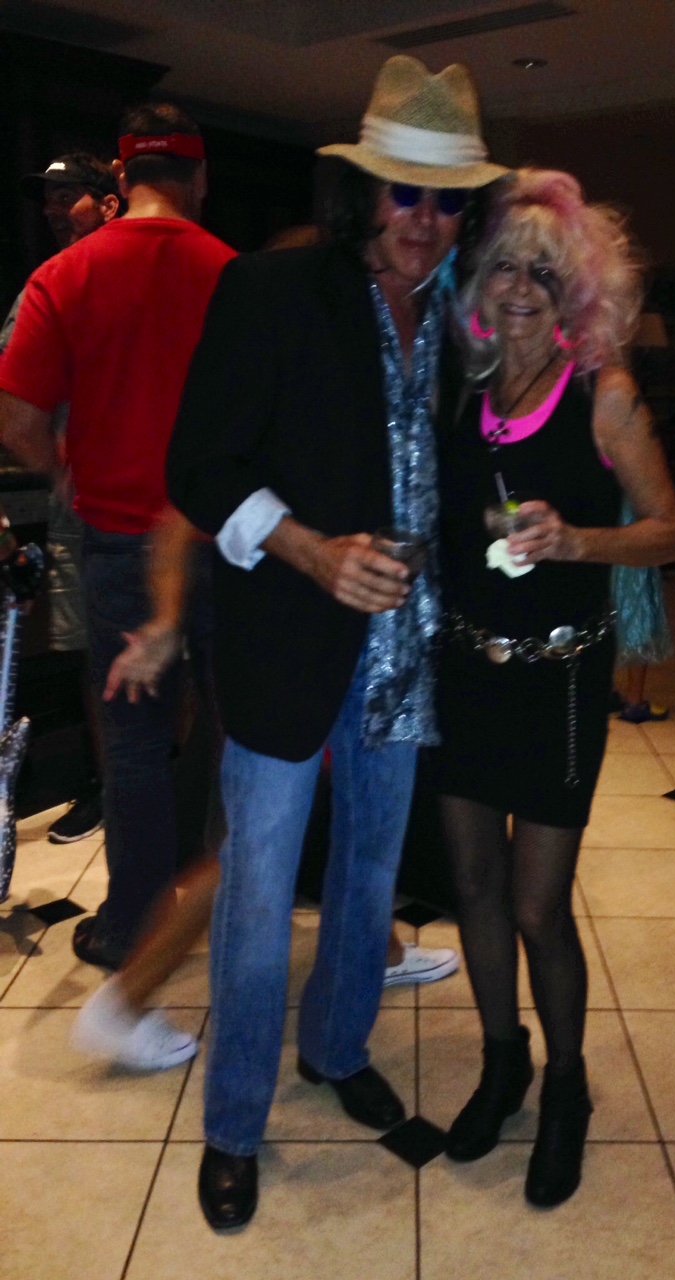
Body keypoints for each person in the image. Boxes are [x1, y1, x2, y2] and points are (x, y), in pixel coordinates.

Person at [166, 55, 507, 1231]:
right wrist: (310, 550)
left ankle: (337, 1044)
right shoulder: (273, 290)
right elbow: (199, 466)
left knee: (369, 874)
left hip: (406, 650)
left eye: (447, 199)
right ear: (363, 188)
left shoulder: (461, 318)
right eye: (407, 191)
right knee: (260, 894)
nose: (425, 219)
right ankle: (234, 1122)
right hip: (288, 638)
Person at [434, 169, 675, 1207]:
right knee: (473, 887)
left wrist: (580, 541)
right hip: (464, 669)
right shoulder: (461, 388)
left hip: (562, 684)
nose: (521, 289)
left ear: (577, 290)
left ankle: (567, 1086)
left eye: (544, 273)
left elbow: (671, 532)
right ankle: (503, 1061)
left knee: (539, 906)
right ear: (479, 282)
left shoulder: (604, 393)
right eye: (506, 267)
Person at [0, 105, 236, 981]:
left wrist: (66, 471)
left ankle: (132, 927)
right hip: (224, 540)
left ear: (122, 178)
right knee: (237, 735)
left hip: (114, 540)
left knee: (133, 746)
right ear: (200, 178)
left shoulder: (64, 274)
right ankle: (233, 905)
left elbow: (16, 418)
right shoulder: (234, 274)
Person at [0, 153, 123, 844]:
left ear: (109, 202)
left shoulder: (119, 273)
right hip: (104, 506)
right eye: (47, 198)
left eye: (68, 194)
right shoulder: (49, 283)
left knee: (150, 650)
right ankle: (118, 786)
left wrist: (59, 470)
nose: (53, 208)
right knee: (101, 652)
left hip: (137, 504)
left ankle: (141, 783)